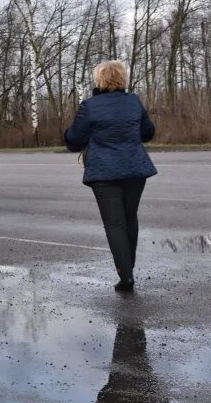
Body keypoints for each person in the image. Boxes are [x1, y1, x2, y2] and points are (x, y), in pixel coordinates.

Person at [64, 60, 157, 292]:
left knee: (114, 223)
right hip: (135, 169)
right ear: (121, 79)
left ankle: (126, 276)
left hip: (104, 172)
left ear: (100, 80)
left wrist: (70, 135)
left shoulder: (90, 106)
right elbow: (148, 133)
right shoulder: (134, 102)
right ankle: (129, 268)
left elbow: (74, 140)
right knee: (129, 218)